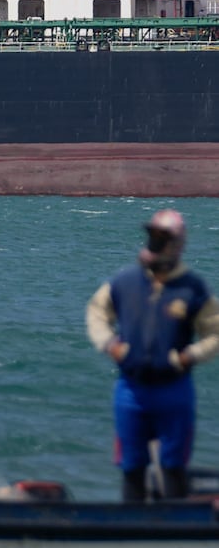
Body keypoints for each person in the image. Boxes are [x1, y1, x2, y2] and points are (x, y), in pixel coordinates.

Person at [86, 208, 219, 501]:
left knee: (173, 466)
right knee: (131, 466)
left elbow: (215, 332)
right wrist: (109, 344)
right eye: (152, 236)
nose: (155, 243)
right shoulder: (125, 282)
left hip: (173, 389)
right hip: (131, 391)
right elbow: (97, 312)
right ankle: (129, 532)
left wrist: (190, 356)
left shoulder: (192, 289)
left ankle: (175, 531)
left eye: (163, 238)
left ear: (178, 244)